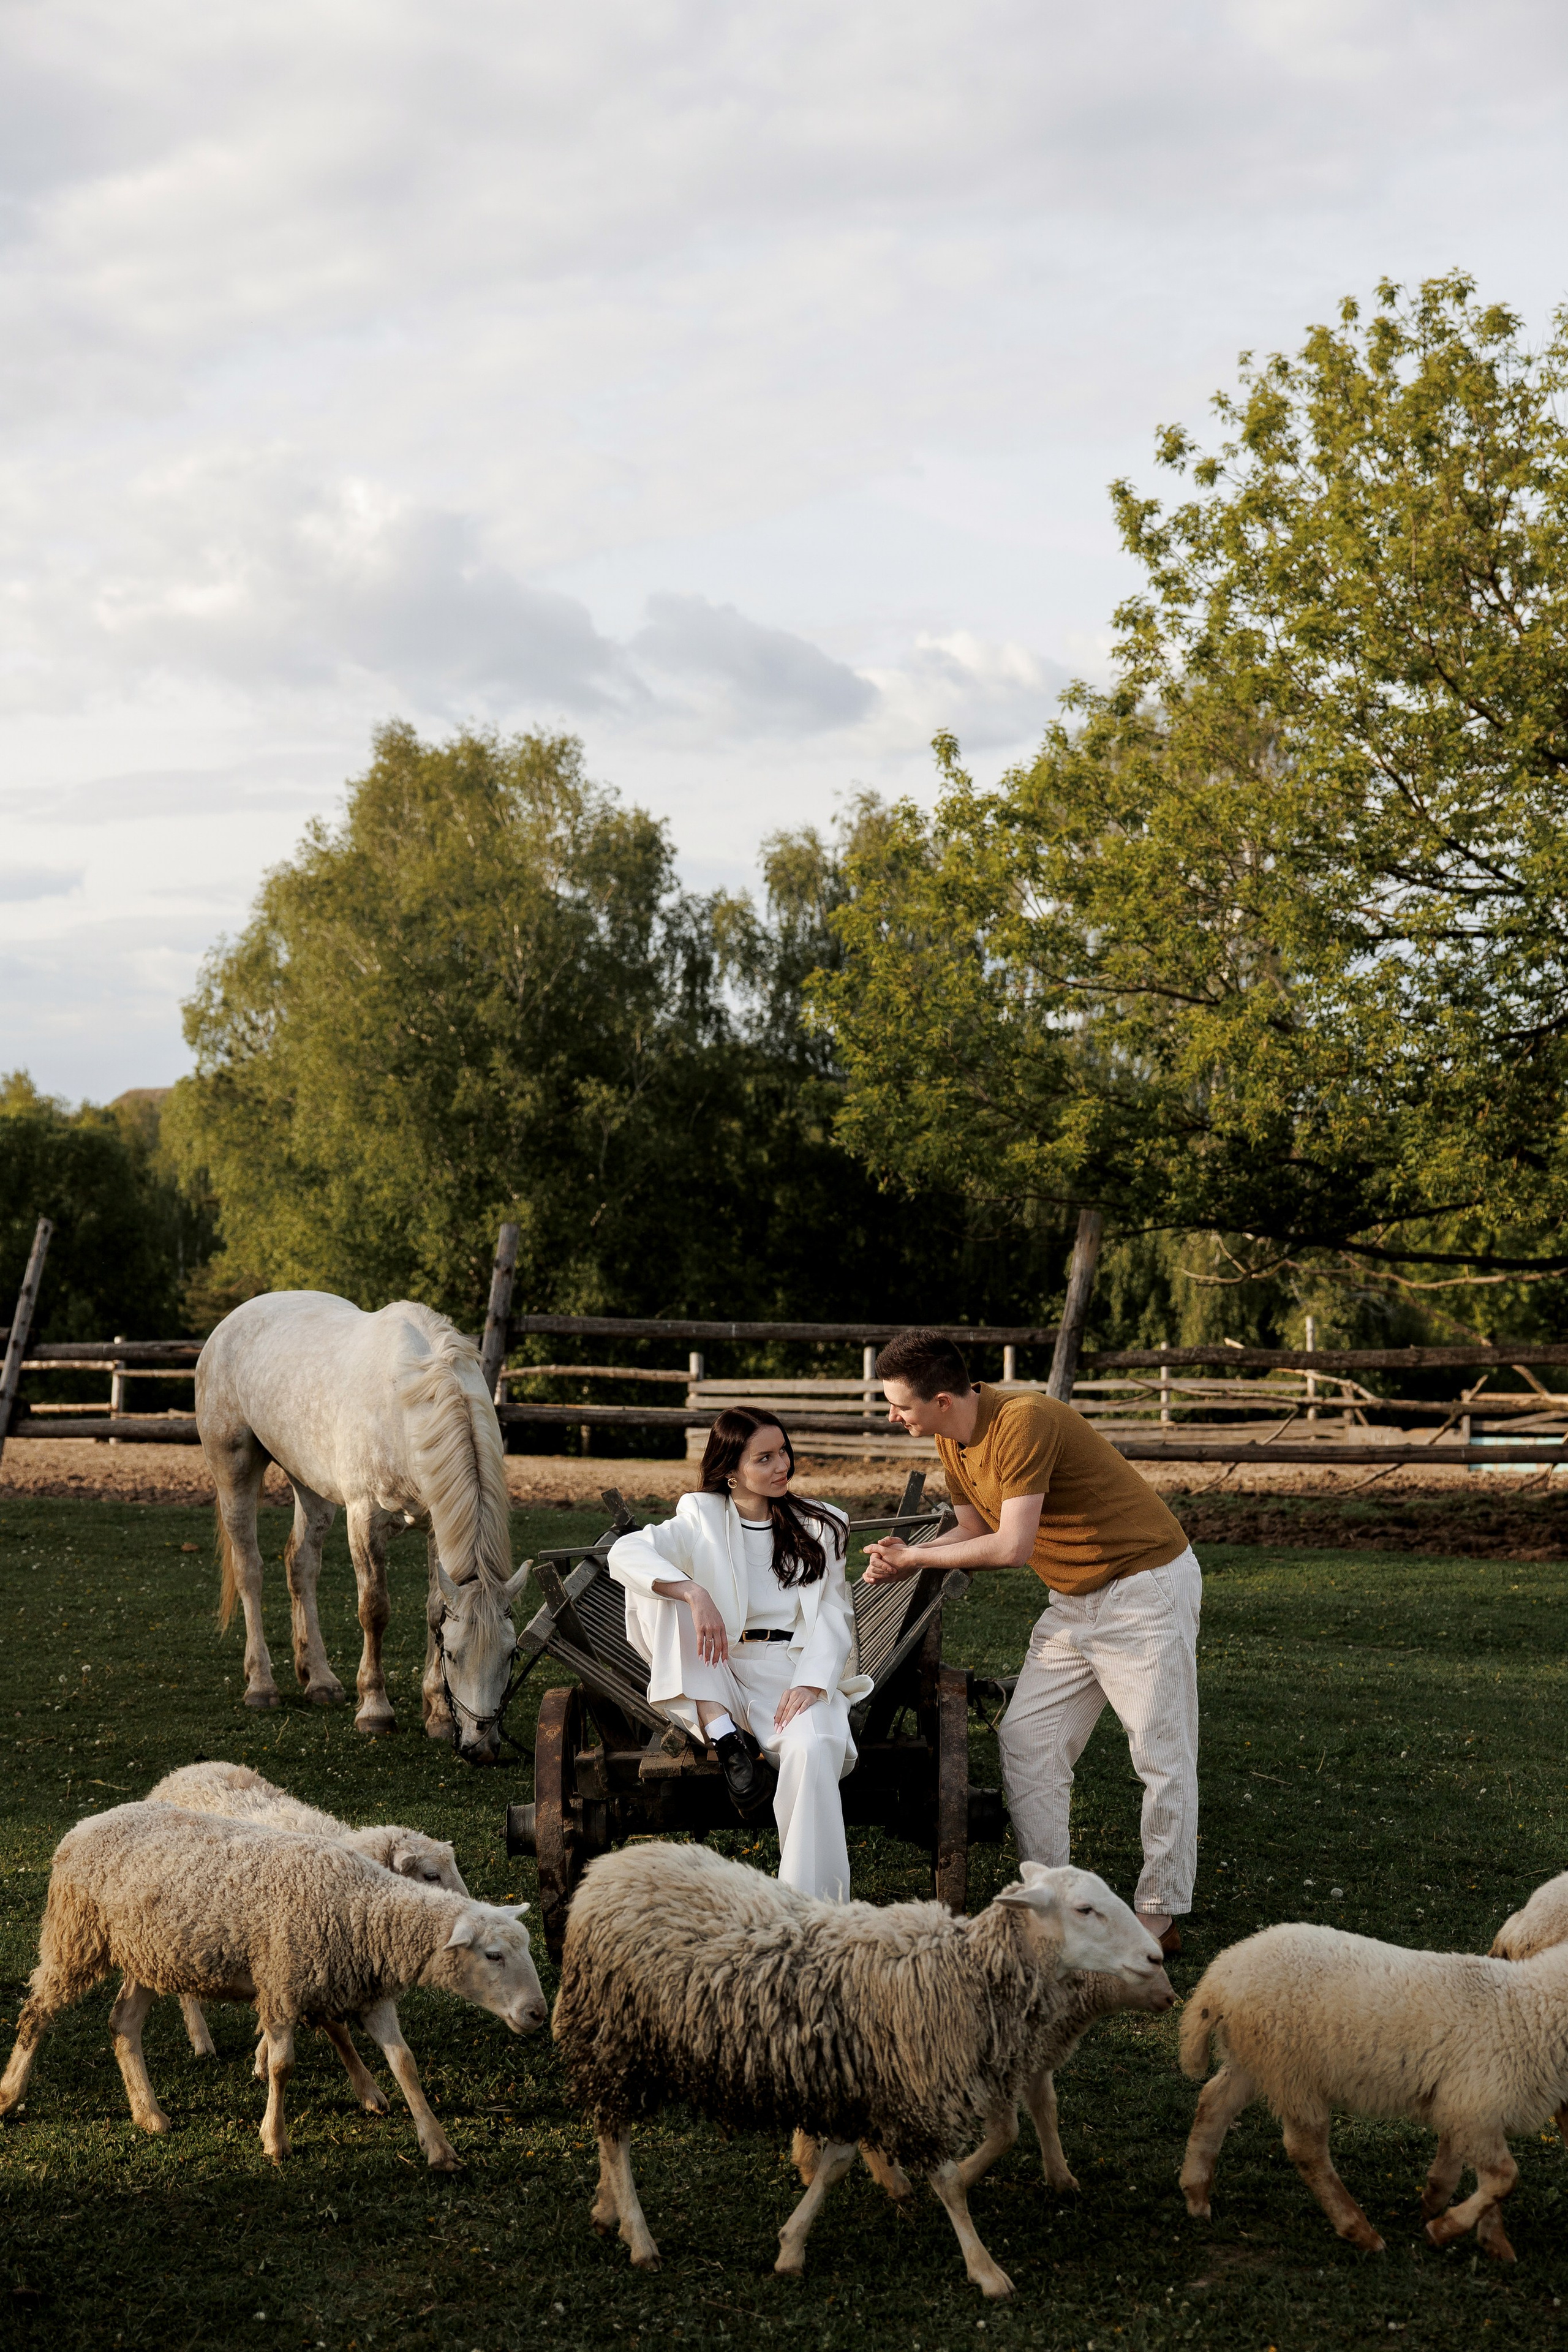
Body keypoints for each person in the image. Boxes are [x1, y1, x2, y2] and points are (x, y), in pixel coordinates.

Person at [863, 1328, 1200, 1954]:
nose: (892, 1416)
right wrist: (905, 1556)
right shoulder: (950, 1435)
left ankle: (1158, 1918)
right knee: (1026, 1739)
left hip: (1143, 1587)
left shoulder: (1022, 1422)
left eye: (900, 1405)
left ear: (942, 1398)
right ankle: (1053, 1902)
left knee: (1161, 1755)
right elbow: (970, 1528)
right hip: (1073, 1600)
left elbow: (1011, 1548)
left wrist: (916, 1559)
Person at [607, 1407, 872, 1902]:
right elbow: (625, 1553)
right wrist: (693, 1592)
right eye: (764, 1458)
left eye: (784, 1452)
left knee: (814, 1748)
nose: (781, 1466)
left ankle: (807, 1909)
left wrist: (814, 1682)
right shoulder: (701, 1516)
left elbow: (835, 1615)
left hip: (791, 1668)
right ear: (730, 1472)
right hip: (718, 1669)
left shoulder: (823, 1524)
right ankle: (724, 1734)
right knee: (664, 1588)